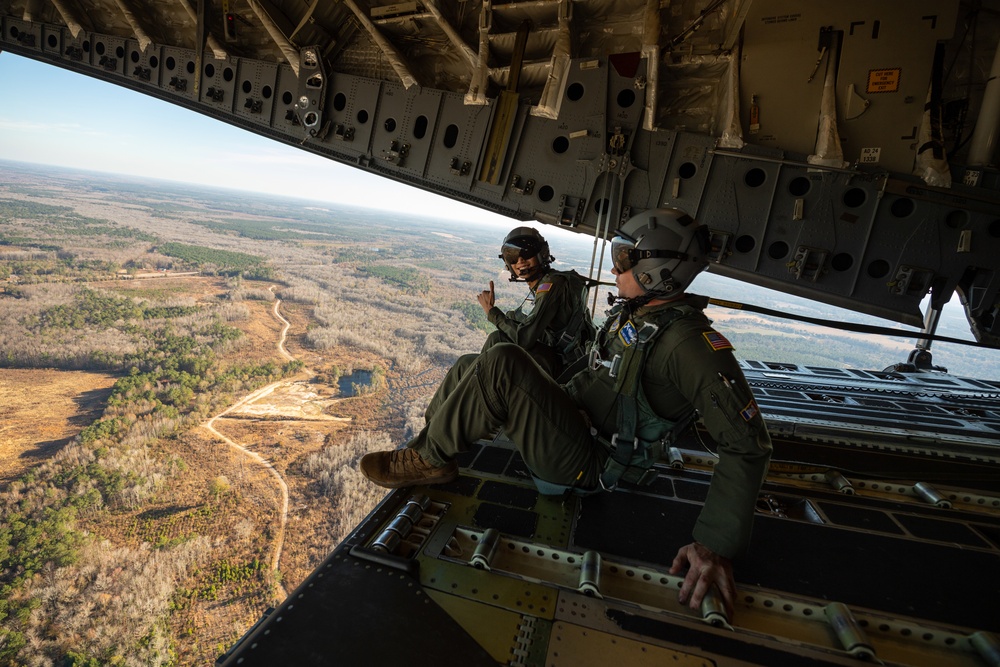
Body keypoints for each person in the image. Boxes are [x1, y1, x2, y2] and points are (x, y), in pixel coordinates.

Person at [360, 208, 772, 617]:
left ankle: (428, 458)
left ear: (657, 270)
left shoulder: (689, 345)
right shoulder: (638, 314)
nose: (613, 270)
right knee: (475, 362)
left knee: (504, 359)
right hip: (576, 427)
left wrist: (714, 546)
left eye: (624, 261)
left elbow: (747, 443)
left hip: (591, 463)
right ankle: (429, 451)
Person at [477, 226, 594, 380]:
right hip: (561, 356)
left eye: (527, 252)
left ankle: (476, 384)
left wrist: (492, 312)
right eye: (512, 256)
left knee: (497, 339)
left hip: (564, 365)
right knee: (498, 337)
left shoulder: (552, 285)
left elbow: (525, 338)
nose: (520, 261)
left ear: (542, 254)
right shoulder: (551, 281)